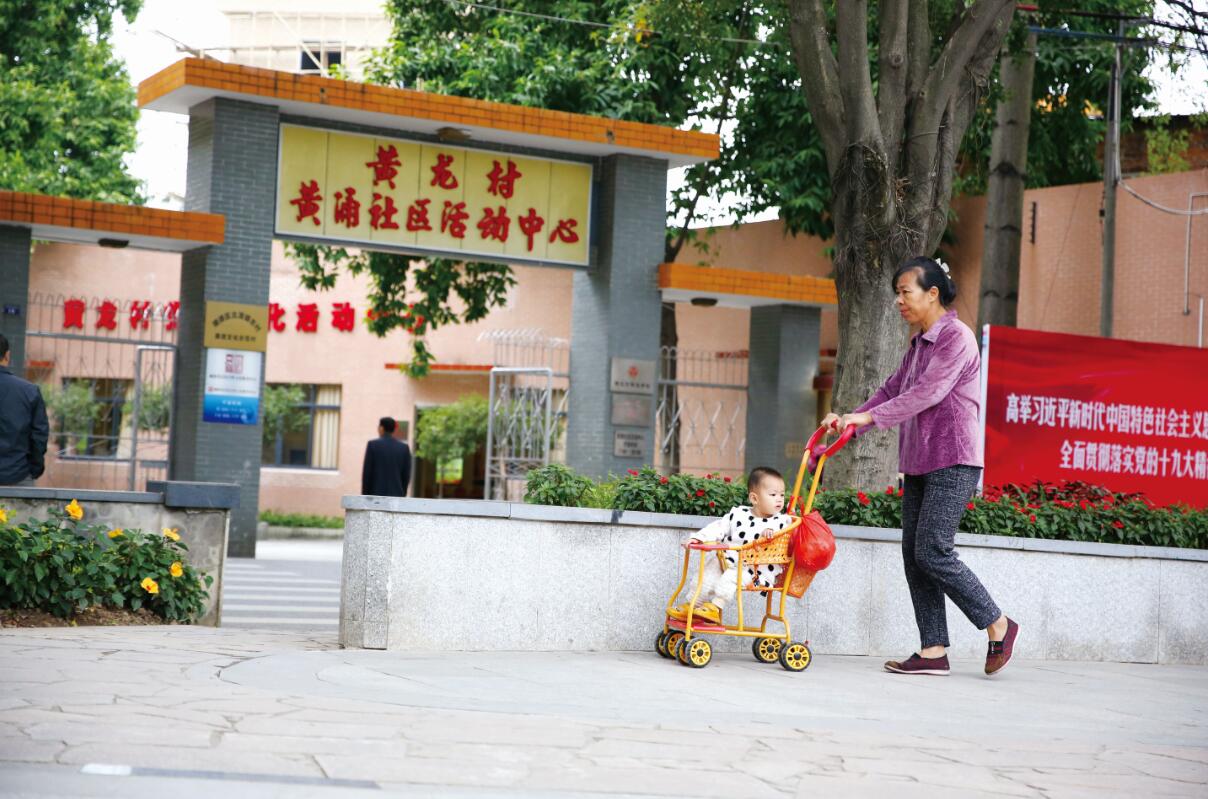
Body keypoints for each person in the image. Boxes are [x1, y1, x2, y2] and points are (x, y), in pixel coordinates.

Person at [823, 256, 1018, 677]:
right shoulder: (918, 344)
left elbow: (928, 393)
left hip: (954, 458)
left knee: (932, 549)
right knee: (915, 555)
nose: (899, 301)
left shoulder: (956, 339)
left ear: (933, 293)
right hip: (919, 461)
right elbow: (892, 390)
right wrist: (848, 420)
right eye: (897, 293)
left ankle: (997, 622)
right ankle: (933, 651)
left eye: (905, 291)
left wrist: (867, 419)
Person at [668, 467, 794, 625]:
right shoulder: (738, 514)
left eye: (782, 495)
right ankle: (694, 604)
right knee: (707, 572)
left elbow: (783, 535)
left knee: (730, 577)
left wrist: (771, 533)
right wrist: (699, 538)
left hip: (754, 570)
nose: (779, 499)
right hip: (728, 559)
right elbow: (719, 527)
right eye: (773, 495)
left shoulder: (780, 521)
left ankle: (716, 606)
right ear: (754, 499)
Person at [0, 334, 49, 488]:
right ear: (7, 356)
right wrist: (33, 470)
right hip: (17, 477)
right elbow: (39, 436)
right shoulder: (29, 391)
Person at [361, 416, 412, 497]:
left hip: (375, 496)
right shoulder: (404, 448)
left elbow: (367, 473)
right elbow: (406, 475)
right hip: (396, 495)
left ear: (381, 428)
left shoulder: (372, 445)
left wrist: (365, 494)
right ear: (394, 430)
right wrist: (403, 493)